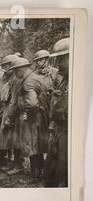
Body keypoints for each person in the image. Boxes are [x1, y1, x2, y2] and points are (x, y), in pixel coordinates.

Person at [9, 57, 49, 179]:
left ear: (21, 69)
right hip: (40, 114)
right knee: (38, 145)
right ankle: (40, 170)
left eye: (16, 71)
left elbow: (32, 103)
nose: (15, 74)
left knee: (32, 145)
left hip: (33, 116)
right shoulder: (35, 77)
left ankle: (35, 173)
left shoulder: (27, 82)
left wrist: (27, 113)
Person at [44, 38, 69, 187]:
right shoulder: (63, 78)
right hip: (59, 126)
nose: (58, 64)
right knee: (54, 157)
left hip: (69, 127)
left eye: (61, 59)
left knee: (63, 159)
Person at [0, 54, 20, 171]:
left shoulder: (16, 78)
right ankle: (10, 161)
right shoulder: (4, 77)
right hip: (4, 108)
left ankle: (17, 163)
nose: (5, 68)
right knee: (6, 136)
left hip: (13, 110)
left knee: (15, 138)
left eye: (7, 65)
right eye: (4, 66)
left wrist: (10, 115)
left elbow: (14, 99)